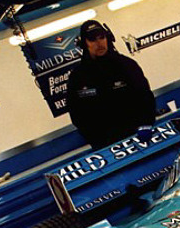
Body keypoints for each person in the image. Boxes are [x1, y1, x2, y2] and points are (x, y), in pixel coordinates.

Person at [67, 20, 156, 149]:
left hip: (138, 137)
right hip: (105, 146)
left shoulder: (127, 65)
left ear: (108, 38)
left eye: (102, 37)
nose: (99, 43)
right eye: (93, 40)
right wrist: (96, 140)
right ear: (84, 44)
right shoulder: (78, 77)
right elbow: (77, 114)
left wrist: (146, 125)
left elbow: (145, 97)